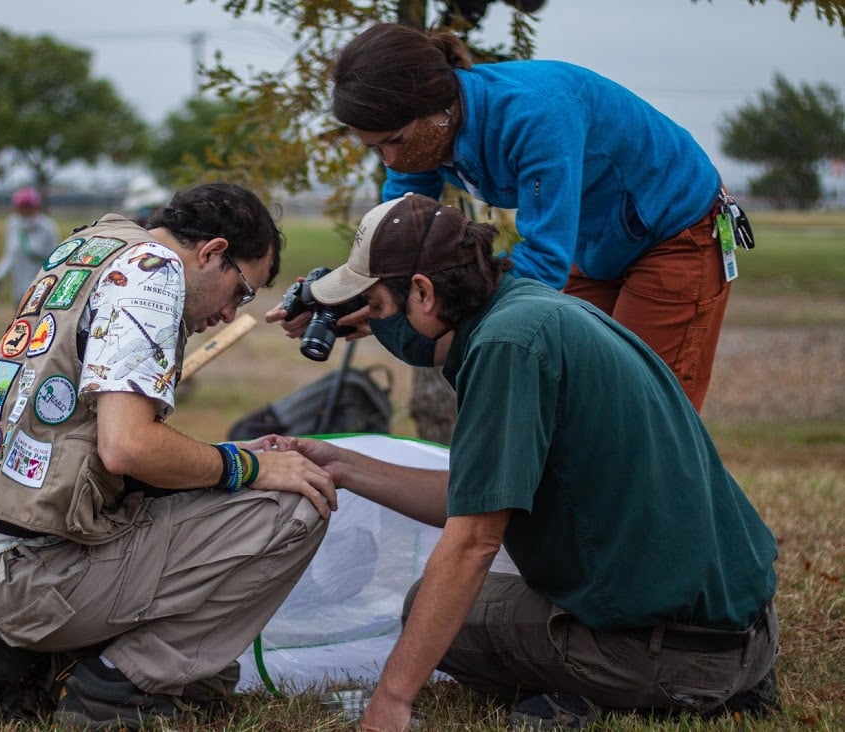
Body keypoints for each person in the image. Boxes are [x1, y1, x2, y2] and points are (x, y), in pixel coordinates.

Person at [269, 193, 778, 731]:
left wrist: (391, 700)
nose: (373, 325)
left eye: (375, 308)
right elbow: (472, 493)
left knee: (440, 615)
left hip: (683, 653)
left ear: (422, 291)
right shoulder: (532, 309)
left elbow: (474, 540)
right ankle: (690, 680)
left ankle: (645, 692)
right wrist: (344, 466)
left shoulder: (506, 348)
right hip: (746, 630)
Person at [0, 182, 336, 729]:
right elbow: (128, 447)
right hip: (30, 581)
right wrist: (251, 467)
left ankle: (33, 659)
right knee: (298, 508)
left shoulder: (92, 245)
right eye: (241, 291)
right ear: (212, 252)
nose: (230, 312)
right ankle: (122, 685)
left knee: (234, 486)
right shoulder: (153, 272)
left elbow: (91, 440)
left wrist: (230, 456)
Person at [275, 22, 751, 412]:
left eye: (395, 140)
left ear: (437, 110)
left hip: (677, 231)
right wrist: (352, 299)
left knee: (644, 408)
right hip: (596, 241)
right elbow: (394, 239)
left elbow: (541, 264)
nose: (391, 160)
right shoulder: (427, 135)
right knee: (569, 398)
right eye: (373, 147)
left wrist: (423, 307)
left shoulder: (535, 116)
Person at [0, 186, 62, 305]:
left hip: (41, 285)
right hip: (19, 286)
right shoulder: (12, 225)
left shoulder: (48, 228)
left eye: (28, 206)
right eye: (21, 207)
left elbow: (56, 259)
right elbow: (10, 255)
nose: (24, 210)